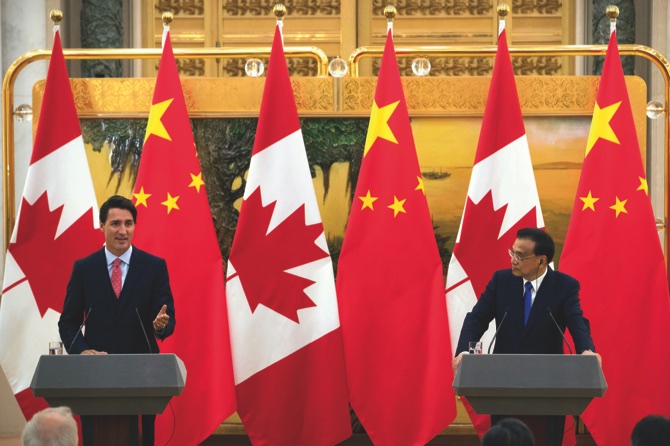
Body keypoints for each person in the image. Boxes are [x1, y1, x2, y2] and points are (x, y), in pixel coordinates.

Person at [452, 228, 601, 446]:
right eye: (512, 253)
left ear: (542, 261)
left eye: (520, 256)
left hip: (548, 386)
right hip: (504, 384)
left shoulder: (564, 286)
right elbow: (477, 318)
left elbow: (577, 321)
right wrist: (464, 351)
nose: (513, 260)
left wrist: (586, 350)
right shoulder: (501, 281)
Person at [58, 195, 176, 446]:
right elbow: (67, 323)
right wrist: (81, 351)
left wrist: (161, 326)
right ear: (101, 226)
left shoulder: (154, 266)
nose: (123, 231)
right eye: (115, 224)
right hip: (96, 376)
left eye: (129, 223)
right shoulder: (84, 268)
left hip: (143, 376)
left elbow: (167, 318)